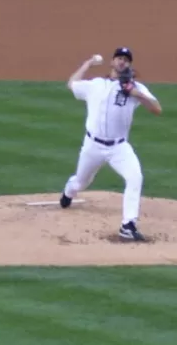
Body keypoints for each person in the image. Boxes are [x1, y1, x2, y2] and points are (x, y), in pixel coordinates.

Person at [59, 47, 162, 242]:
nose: (122, 61)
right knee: (81, 182)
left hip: (119, 148)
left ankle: (128, 225)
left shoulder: (135, 88)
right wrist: (88, 64)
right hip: (92, 146)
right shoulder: (96, 85)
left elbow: (157, 109)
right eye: (119, 58)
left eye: (126, 59)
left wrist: (137, 94)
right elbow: (72, 84)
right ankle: (69, 191)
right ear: (112, 62)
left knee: (135, 177)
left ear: (129, 65)